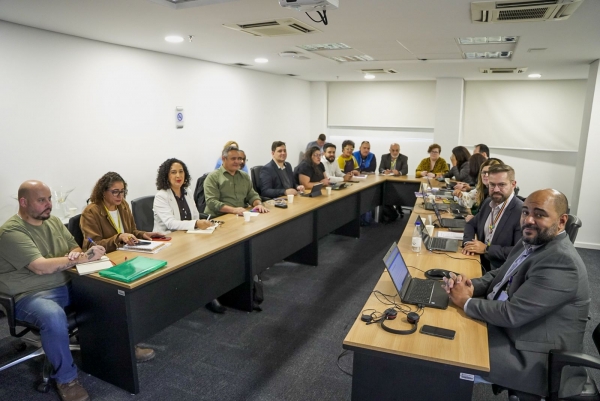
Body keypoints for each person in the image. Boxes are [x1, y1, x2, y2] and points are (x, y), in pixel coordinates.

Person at [443, 189, 590, 400]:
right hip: (511, 327)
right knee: (446, 327)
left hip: (532, 357)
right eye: (525, 212)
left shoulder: (562, 262)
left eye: (539, 214)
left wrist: (466, 301)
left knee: (448, 351)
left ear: (561, 221)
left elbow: (512, 314)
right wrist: (472, 287)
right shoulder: (531, 239)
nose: (528, 220)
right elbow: (500, 274)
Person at [0, 180, 106, 401]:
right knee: (52, 315)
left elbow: (73, 247)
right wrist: (86, 258)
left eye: (49, 199)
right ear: (23, 202)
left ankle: (121, 349)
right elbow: (40, 267)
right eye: (41, 200)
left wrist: (78, 254)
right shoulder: (10, 232)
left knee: (108, 291)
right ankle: (66, 379)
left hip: (65, 284)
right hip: (29, 295)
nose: (49, 204)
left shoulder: (54, 222)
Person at [80, 172, 158, 362]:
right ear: (103, 191)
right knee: (126, 296)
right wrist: (118, 238)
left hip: (127, 256)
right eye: (115, 192)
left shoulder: (122, 206)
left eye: (123, 192)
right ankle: (128, 345)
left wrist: (142, 234)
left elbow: (129, 232)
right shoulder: (92, 211)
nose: (120, 196)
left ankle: (139, 329)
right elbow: (92, 245)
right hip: (106, 263)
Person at [462, 164, 523, 271]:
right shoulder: (488, 203)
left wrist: (486, 249)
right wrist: (468, 243)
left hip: (498, 271)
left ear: (513, 184)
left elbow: (519, 251)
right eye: (492, 185)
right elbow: (471, 224)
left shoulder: (521, 212)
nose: (496, 189)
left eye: (501, 185)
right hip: (478, 261)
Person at [204, 146, 269, 217]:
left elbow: (252, 195)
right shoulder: (213, 177)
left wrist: (258, 204)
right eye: (233, 159)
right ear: (223, 159)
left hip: (239, 215)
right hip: (219, 217)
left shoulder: (244, 176)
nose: (237, 162)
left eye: (239, 159)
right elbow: (212, 202)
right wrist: (234, 210)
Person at [153, 158, 213, 233]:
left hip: (187, 234)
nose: (178, 175)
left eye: (181, 171)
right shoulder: (161, 196)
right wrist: (196, 224)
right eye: (173, 172)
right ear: (166, 176)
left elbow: (195, 216)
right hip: (167, 237)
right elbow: (170, 223)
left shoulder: (187, 191)